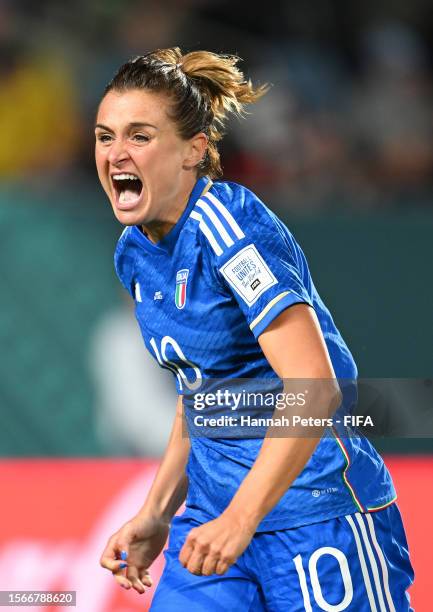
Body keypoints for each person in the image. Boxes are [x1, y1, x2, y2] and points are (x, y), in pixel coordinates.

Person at [96, 47, 414, 610]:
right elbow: (199, 395)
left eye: (139, 136)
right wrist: (156, 512)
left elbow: (314, 385)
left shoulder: (229, 228)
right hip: (214, 527)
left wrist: (243, 518)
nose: (116, 152)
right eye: (105, 136)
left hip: (315, 516)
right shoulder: (135, 253)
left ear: (194, 151)